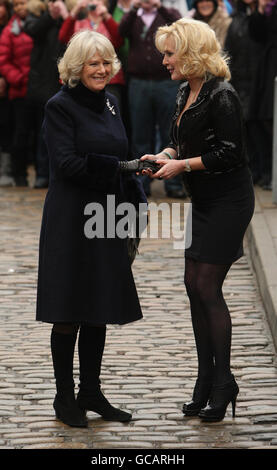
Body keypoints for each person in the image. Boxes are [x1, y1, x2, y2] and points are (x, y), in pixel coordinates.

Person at [141, 17, 255, 422]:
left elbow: (231, 153)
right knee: (193, 286)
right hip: (204, 201)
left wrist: (183, 166)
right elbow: (180, 141)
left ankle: (223, 382)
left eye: (170, 53)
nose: (165, 60)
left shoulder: (222, 94)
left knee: (207, 286)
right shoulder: (183, 91)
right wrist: (167, 156)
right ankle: (206, 378)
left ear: (189, 53)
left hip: (229, 200)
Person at [36, 30, 147, 427]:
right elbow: (66, 163)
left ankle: (91, 391)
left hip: (107, 216)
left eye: (105, 62)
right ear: (75, 67)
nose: (101, 69)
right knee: (68, 308)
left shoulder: (113, 103)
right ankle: (64, 397)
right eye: (92, 63)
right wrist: (121, 169)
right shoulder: (59, 106)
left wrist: (135, 179)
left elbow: (121, 153)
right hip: (71, 218)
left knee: (98, 305)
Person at [119, 0, 186, 198]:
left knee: (170, 133)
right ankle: (142, 183)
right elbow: (120, 33)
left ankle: (173, 184)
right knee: (141, 135)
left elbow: (180, 28)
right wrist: (133, 8)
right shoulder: (133, 16)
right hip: (138, 83)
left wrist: (160, 7)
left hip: (166, 83)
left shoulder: (168, 13)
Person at [23, 0, 68, 189]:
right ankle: (42, 173)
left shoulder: (74, 12)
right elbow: (32, 30)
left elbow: (78, 37)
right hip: (43, 83)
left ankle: (60, 174)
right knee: (44, 132)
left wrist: (66, 17)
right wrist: (51, 16)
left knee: (64, 135)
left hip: (64, 82)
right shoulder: (37, 12)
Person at [224, 0, 264, 185]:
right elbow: (229, 52)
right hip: (240, 81)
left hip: (261, 81)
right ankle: (253, 171)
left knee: (260, 128)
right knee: (244, 128)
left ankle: (266, 171)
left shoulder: (264, 17)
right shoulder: (236, 19)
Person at [59, 0, 125, 110]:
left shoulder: (109, 21)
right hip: (83, 81)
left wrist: (105, 16)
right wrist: (75, 10)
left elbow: (119, 40)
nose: (94, 2)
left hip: (110, 81)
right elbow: (63, 37)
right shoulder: (79, 23)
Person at [0, 0, 33, 187]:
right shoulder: (10, 30)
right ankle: (18, 174)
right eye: (18, 4)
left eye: (24, 3)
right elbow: (3, 59)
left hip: (39, 87)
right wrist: (18, 78)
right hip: (19, 89)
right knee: (20, 132)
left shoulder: (39, 24)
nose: (21, 7)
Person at [247, 0, 277, 190]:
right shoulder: (266, 8)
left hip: (272, 66)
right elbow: (257, 35)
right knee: (260, 118)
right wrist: (259, 9)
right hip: (267, 67)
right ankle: (267, 172)